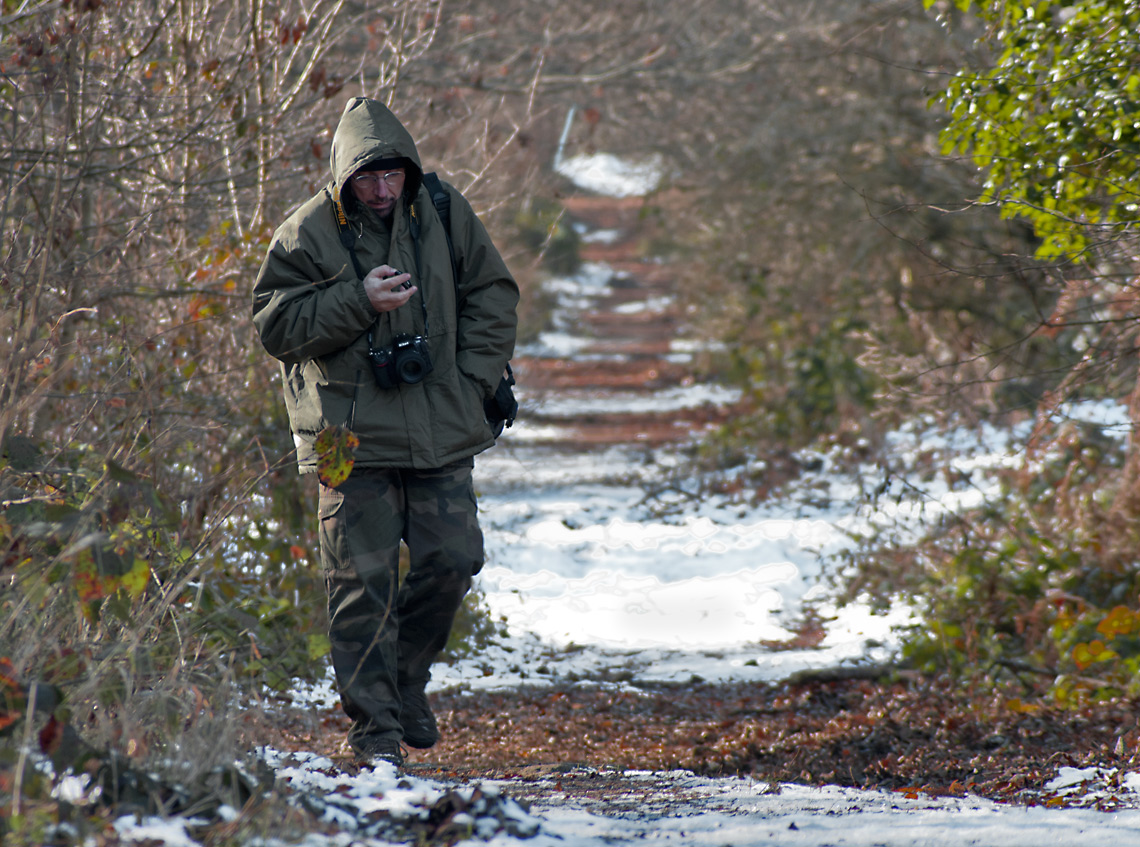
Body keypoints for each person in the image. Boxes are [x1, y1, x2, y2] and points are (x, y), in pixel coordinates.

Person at [252, 97, 519, 768]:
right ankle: (374, 735)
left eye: (392, 175)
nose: (381, 190)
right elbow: (275, 326)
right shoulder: (309, 230)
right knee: (359, 585)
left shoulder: (443, 209)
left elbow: (493, 292)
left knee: (453, 558)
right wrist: (357, 300)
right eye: (368, 178)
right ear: (345, 177)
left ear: (408, 169)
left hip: (439, 427)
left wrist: (472, 380)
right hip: (349, 439)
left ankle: (404, 680)